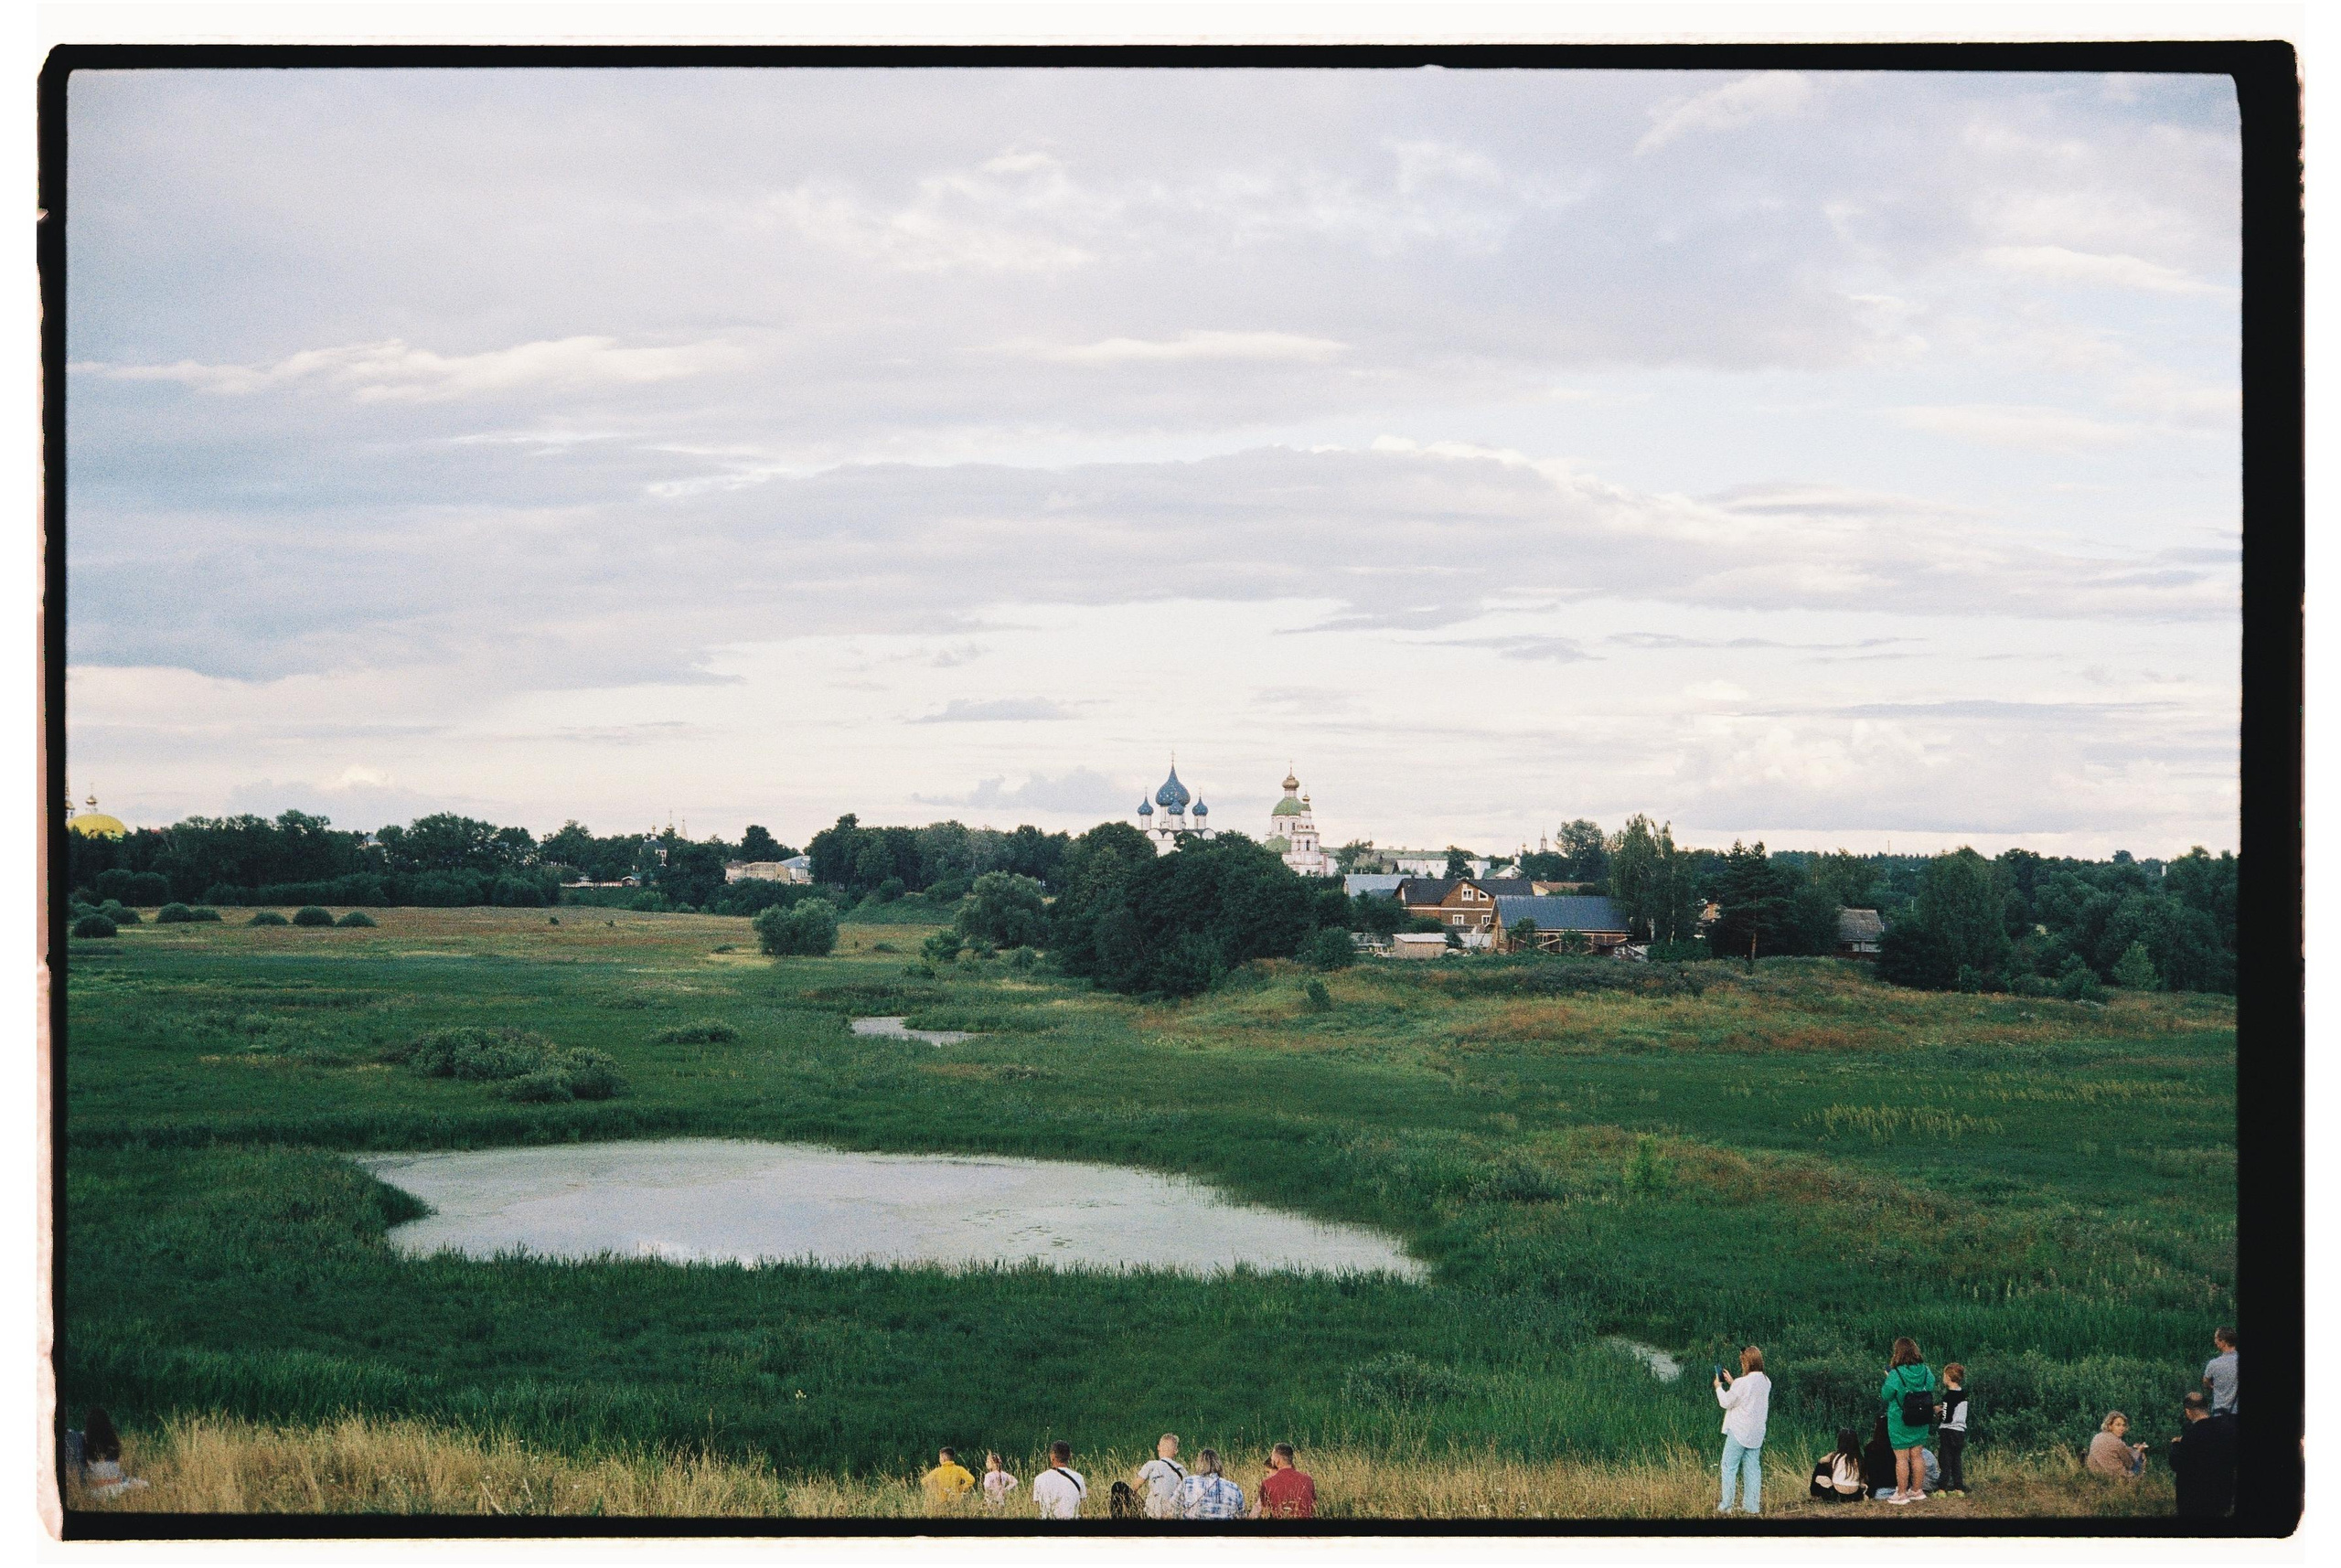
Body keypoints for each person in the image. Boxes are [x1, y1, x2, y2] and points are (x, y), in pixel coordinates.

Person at [1713, 1344, 1771, 1515]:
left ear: (1747, 1363)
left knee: (1728, 1467)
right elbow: (1747, 1396)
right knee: (1753, 1469)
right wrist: (1732, 1382)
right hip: (1756, 1432)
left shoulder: (1742, 1383)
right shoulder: (1766, 1382)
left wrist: (1719, 1387)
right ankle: (1751, 1506)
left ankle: (1726, 1506)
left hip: (1739, 1431)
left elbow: (1726, 1402)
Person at [1880, 1337, 1935, 1504]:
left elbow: (1886, 1395)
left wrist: (1888, 1377)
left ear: (1897, 1352)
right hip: (1921, 1418)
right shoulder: (1925, 1370)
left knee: (1902, 1458)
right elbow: (1930, 1386)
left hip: (1900, 1420)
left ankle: (1902, 1494)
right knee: (1917, 1455)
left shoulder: (1896, 1374)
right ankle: (1917, 1491)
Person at [2168, 1392, 2237, 1519]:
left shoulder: (2191, 1435)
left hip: (2196, 1502)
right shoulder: (2225, 1430)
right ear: (2207, 1407)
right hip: (2222, 1498)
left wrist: (2176, 1445)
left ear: (2188, 1412)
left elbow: (2176, 1463)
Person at [75, 1410, 147, 1499]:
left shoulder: (84, 1441)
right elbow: (117, 1464)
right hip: (117, 1483)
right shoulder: (112, 1440)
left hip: (97, 1487)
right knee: (143, 1484)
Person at [1174, 1448, 1247, 1520]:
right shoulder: (1233, 1488)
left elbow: (1172, 1508)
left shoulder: (1188, 1483)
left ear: (1199, 1464)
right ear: (1218, 1464)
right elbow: (1242, 1515)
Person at [1134, 1433, 1189, 1520]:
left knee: (1119, 1486)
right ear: (1176, 1451)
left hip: (1152, 1516)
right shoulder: (1182, 1471)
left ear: (1158, 1447)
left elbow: (1134, 1488)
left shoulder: (1151, 1465)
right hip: (1173, 1517)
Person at [1256, 1443, 1318, 1519]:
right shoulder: (1308, 1480)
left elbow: (1264, 1512)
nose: (1271, 1459)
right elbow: (1314, 1506)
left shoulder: (1267, 1483)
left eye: (1272, 1456)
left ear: (1277, 1459)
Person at [1936, 1363, 1970, 1496]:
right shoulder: (1963, 1394)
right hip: (1960, 1431)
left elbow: (1946, 1418)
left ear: (1948, 1377)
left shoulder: (1948, 1397)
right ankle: (1958, 1488)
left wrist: (1938, 1412)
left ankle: (1941, 1489)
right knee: (1956, 1460)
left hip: (1948, 1431)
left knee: (1945, 1459)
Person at [1032, 1441, 1086, 1520]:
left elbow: (1037, 1506)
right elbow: (1082, 1504)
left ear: (1052, 1457)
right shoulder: (1078, 1478)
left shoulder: (1039, 1479)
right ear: (1069, 1456)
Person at [1808, 1427, 1865, 1503]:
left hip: (1836, 1495)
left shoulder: (1834, 1456)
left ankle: (1814, 1495)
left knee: (1821, 1466)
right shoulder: (1860, 1458)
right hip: (1855, 1495)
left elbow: (1821, 1461)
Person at [2086, 1412, 2148, 1477]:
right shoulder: (2117, 1443)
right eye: (2118, 1425)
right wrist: (2139, 1451)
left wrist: (2133, 1449)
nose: (2122, 1428)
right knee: (2140, 1458)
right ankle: (2141, 1477)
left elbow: (2117, 1450)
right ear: (2110, 1426)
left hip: (2096, 1474)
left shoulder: (2097, 1436)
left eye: (2123, 1425)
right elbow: (2129, 1464)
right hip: (2118, 1477)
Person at [2204, 1327, 2239, 1418]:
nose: (2215, 1341)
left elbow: (2206, 1382)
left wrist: (2212, 1387)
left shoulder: (2213, 1364)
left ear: (2223, 1342)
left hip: (2219, 1414)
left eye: (2216, 1338)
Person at [1861, 1416, 1898, 1499]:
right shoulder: (1897, 1446)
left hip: (1879, 1490)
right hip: (1900, 1488)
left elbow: (1869, 1470)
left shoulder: (1870, 1448)